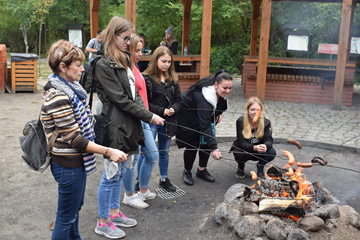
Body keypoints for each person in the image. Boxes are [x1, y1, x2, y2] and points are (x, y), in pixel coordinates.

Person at [42, 40, 128, 240]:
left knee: (74, 210)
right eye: (78, 65)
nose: (83, 69)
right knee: (65, 217)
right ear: (63, 67)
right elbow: (75, 139)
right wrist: (109, 151)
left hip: (75, 162)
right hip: (67, 165)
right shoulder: (58, 96)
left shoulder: (70, 89)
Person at [92, 17, 164, 239]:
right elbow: (120, 99)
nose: (128, 42)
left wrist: (148, 114)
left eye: (130, 38)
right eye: (125, 38)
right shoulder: (103, 63)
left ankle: (114, 213)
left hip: (130, 124)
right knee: (111, 175)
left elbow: (135, 96)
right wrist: (149, 116)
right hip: (114, 126)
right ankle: (103, 221)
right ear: (113, 35)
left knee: (123, 170)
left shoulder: (124, 60)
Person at [176, 70, 233, 186]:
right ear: (216, 85)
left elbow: (219, 107)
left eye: (230, 88)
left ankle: (202, 170)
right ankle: (187, 171)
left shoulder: (218, 92)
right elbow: (205, 125)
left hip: (203, 115)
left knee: (206, 141)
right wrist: (215, 147)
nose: (227, 91)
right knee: (192, 143)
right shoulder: (204, 97)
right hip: (187, 116)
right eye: (225, 88)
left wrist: (217, 113)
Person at [121, 34, 159, 209]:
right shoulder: (124, 69)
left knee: (151, 154)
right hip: (135, 119)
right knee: (132, 159)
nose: (140, 54)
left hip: (144, 118)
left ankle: (143, 190)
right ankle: (129, 195)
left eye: (141, 50)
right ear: (127, 50)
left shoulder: (135, 67)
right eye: (136, 50)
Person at [142, 46, 182, 192]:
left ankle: (164, 179)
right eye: (163, 61)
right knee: (148, 153)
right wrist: (161, 111)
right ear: (155, 60)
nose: (166, 64)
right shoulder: (147, 79)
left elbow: (179, 100)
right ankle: (141, 180)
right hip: (152, 120)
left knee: (164, 151)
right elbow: (145, 104)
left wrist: (174, 109)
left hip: (168, 121)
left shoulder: (173, 79)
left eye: (169, 62)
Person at [230, 97, 276, 179]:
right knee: (238, 153)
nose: (255, 112)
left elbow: (269, 140)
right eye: (252, 110)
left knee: (272, 152)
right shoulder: (241, 121)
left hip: (260, 151)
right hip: (246, 150)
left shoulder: (266, 122)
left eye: (258, 110)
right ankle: (241, 167)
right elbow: (241, 141)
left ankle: (260, 166)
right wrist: (254, 148)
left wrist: (265, 146)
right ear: (247, 110)